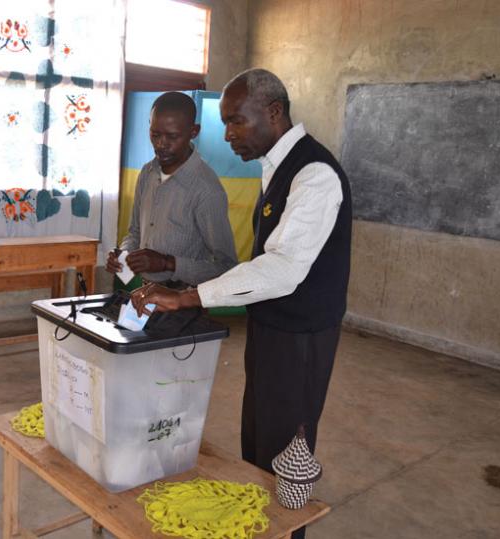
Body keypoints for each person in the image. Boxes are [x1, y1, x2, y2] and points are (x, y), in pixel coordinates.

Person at [132, 69, 351, 537]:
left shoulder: (314, 175)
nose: (227, 134)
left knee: (287, 450)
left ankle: (286, 530)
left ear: (273, 113)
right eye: (225, 123)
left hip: (301, 337)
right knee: (258, 441)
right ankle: (259, 525)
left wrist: (187, 295)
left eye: (236, 121)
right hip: (271, 328)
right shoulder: (276, 168)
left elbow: (282, 268)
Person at [106, 91, 237, 288]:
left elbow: (227, 268)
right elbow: (135, 233)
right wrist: (123, 256)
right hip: (144, 293)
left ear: (194, 131)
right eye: (155, 134)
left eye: (172, 136)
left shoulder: (206, 189)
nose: (161, 144)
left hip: (184, 301)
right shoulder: (147, 173)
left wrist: (168, 263)